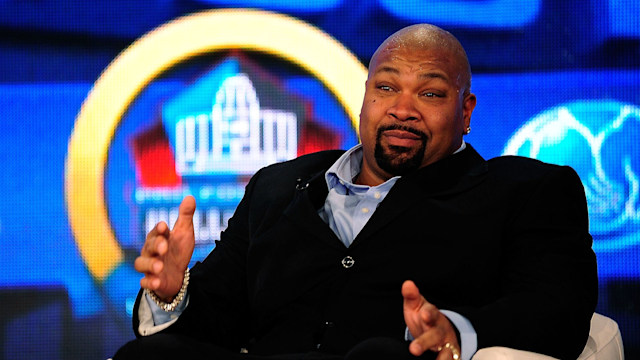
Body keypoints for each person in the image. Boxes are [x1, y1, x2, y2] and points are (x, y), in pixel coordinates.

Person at [114, 24, 597, 360]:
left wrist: (456, 330)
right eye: (386, 88)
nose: (403, 109)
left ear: (466, 111)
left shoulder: (524, 191)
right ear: (365, 97)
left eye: (430, 94)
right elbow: (220, 318)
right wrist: (174, 290)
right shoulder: (277, 186)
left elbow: (557, 308)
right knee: (147, 356)